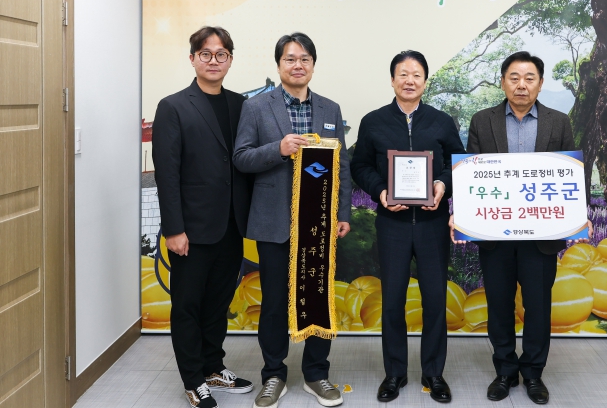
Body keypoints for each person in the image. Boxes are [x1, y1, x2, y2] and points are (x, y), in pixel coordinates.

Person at [449, 51, 592, 405]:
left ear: (540, 84)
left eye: (529, 78)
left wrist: (579, 214)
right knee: (499, 305)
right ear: (503, 82)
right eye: (514, 78)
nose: (521, 85)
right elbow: (471, 176)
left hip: (541, 237)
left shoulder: (559, 122)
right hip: (495, 236)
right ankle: (505, 371)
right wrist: (462, 214)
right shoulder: (483, 121)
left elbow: (571, 174)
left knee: (538, 307)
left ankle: (533, 374)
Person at [233, 32, 351, 408]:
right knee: (273, 303)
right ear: (279, 64)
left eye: (304, 59)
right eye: (290, 59)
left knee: (318, 297)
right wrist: (279, 149)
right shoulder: (256, 107)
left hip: (319, 225)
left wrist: (342, 213)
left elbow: (342, 166)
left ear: (313, 65)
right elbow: (241, 158)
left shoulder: (330, 109)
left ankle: (316, 374)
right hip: (274, 222)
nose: (297, 65)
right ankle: (274, 374)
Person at [351, 51, 465, 404]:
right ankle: (394, 373)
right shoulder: (373, 122)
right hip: (393, 225)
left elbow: (458, 163)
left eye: (416, 74)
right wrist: (380, 192)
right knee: (392, 302)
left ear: (425, 82)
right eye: (403, 74)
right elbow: (360, 166)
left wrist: (442, 185)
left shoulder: (441, 122)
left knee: (435, 301)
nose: (409, 80)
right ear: (392, 80)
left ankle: (434, 373)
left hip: (432, 224)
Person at [153, 26, 254, 408]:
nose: (214, 61)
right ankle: (193, 380)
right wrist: (174, 229)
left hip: (232, 225)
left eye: (221, 54)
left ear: (231, 59)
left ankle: (213, 366)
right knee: (188, 306)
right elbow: (167, 173)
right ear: (193, 58)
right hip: (192, 229)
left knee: (217, 303)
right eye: (206, 54)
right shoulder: (173, 106)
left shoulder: (240, 105)